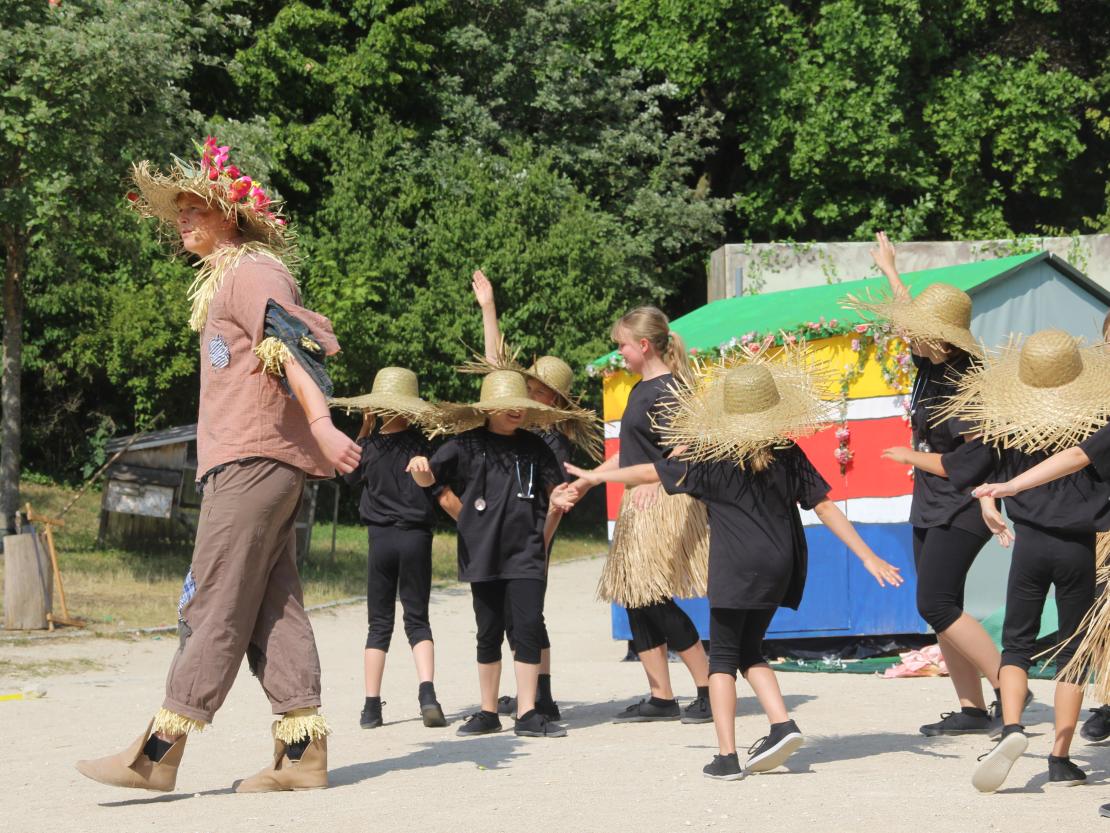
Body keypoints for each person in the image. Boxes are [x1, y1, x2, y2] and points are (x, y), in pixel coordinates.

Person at [77, 137, 360, 793]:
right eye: (178, 213)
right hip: (257, 463)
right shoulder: (227, 278)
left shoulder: (252, 273)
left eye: (195, 209)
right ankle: (303, 754)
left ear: (229, 213)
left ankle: (156, 753)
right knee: (272, 605)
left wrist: (322, 423)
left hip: (253, 464)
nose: (183, 221)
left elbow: (291, 344)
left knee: (212, 598)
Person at [567, 349, 904, 779]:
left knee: (722, 660)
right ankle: (782, 725)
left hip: (736, 567)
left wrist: (596, 477)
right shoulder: (787, 451)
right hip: (779, 565)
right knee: (749, 650)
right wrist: (867, 554)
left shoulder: (711, 457)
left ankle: (726, 756)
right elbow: (824, 506)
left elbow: (652, 471)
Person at [844, 231, 1013, 737]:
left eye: (918, 330)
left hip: (965, 502)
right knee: (944, 606)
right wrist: (891, 270)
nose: (907, 335)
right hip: (931, 502)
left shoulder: (969, 382)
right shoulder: (932, 362)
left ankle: (1010, 688)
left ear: (942, 337)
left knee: (935, 602)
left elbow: (966, 465)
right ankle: (972, 709)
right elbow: (907, 318)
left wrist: (910, 455)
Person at [934, 329, 1110, 792]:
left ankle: (1011, 729)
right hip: (1079, 547)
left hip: (1028, 543)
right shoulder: (1097, 418)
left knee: (1017, 645)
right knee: (1073, 654)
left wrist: (992, 504)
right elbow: (1078, 458)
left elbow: (978, 477)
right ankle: (1060, 757)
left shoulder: (1009, 419)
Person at [407, 370, 582, 738]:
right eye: (506, 405)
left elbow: (554, 491)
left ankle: (528, 711)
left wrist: (559, 498)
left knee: (528, 628)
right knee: (488, 632)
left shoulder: (536, 447)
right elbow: (428, 479)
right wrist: (426, 477)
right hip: (481, 552)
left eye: (520, 404)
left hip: (527, 552)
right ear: (488, 409)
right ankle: (488, 711)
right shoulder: (465, 444)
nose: (515, 410)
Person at [566, 306, 713, 725]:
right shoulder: (639, 389)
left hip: (660, 504)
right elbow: (631, 455)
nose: (620, 354)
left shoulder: (669, 389)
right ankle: (661, 695)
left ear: (644, 345)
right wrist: (590, 478)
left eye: (623, 346)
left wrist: (657, 479)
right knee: (632, 592)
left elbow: (686, 450)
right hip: (637, 502)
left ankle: (706, 687)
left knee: (651, 595)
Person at [469, 270, 603, 719]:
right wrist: (489, 308)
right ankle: (538, 695)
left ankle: (541, 696)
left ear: (552, 397)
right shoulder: (521, 423)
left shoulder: (551, 439)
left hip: (532, 537)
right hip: (514, 536)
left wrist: (541, 543)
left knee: (526, 617)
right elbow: (495, 370)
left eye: (534, 387)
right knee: (517, 617)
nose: (524, 389)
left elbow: (555, 500)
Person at [332, 367, 447, 730]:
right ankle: (427, 694)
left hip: (379, 540)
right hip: (416, 538)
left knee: (378, 624)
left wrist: (365, 430)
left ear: (376, 407)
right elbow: (437, 485)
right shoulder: (425, 448)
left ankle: (371, 707)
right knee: (418, 619)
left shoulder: (367, 447)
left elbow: (347, 478)